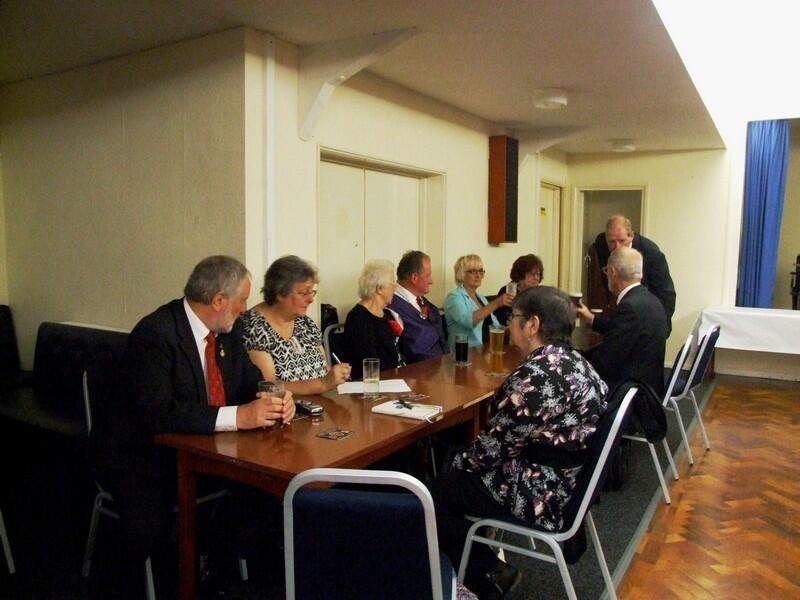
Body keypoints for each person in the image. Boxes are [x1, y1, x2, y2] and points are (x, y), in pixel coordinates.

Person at [103, 255, 295, 595]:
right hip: (145, 455)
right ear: (219, 300)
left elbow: (249, 380)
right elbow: (158, 413)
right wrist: (238, 416)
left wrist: (275, 396)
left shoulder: (228, 331)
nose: (245, 309)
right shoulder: (156, 334)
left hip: (210, 448)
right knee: (150, 527)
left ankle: (220, 563)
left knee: (268, 490)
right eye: (241, 301)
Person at [428, 286, 608, 599]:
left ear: (532, 325)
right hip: (571, 483)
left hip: (541, 492)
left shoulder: (536, 376)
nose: (508, 324)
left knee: (431, 494)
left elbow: (492, 451)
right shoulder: (578, 363)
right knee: (455, 476)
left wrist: (455, 461)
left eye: (513, 317)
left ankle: (486, 575)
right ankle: (483, 562)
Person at [241, 255, 351, 393]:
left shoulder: (305, 323)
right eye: (303, 293)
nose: (310, 299)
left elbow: (325, 370)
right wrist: (322, 383)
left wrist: (336, 376)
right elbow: (269, 388)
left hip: (321, 402)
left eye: (312, 292)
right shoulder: (253, 327)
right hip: (286, 406)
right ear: (280, 293)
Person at [577, 246, 668, 394]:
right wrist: (591, 319)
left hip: (629, 391)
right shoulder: (651, 300)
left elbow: (605, 362)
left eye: (606, 271)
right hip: (649, 385)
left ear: (612, 272)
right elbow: (620, 329)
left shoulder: (629, 307)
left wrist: (574, 361)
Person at [590, 215, 676, 333]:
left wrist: (658, 328)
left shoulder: (651, 253)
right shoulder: (601, 244)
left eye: (622, 241)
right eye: (612, 242)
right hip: (620, 314)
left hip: (648, 320)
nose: (617, 247)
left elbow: (667, 295)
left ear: (631, 236)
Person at [342, 260, 405, 379]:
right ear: (379, 288)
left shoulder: (388, 314)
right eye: (392, 283)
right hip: (372, 381)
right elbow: (369, 363)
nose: (395, 288)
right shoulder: (358, 318)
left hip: (394, 378)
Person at [388, 250, 449, 363]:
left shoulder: (426, 304)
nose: (431, 281)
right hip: (417, 371)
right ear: (414, 278)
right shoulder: (391, 307)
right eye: (428, 275)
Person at [444, 254, 510, 348]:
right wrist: (496, 303)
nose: (478, 275)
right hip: (465, 352)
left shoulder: (481, 298)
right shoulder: (454, 297)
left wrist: (514, 328)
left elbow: (496, 327)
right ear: (462, 274)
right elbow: (468, 321)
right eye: (473, 271)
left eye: (480, 271)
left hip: (486, 349)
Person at [493, 253, 544, 325]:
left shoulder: (541, 294)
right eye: (531, 274)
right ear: (520, 275)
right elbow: (499, 322)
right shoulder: (507, 291)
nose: (536, 278)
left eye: (538, 274)